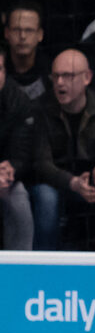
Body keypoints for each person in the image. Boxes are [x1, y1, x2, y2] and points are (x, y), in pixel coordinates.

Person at [31, 49, 95, 252]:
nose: (60, 82)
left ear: (87, 77)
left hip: (94, 184)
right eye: (56, 76)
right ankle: (45, 263)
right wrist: (72, 182)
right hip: (56, 184)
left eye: (68, 76)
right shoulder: (39, 108)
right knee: (45, 197)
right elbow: (41, 164)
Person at [0, 55, 36, 250]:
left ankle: (21, 263)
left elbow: (23, 152)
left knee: (18, 197)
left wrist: (10, 169)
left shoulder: (18, 100)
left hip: (5, 178)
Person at [4, 2, 49, 102]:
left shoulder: (52, 75)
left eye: (29, 30)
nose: (22, 36)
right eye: (16, 30)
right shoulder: (1, 71)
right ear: (7, 33)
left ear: (40, 34)